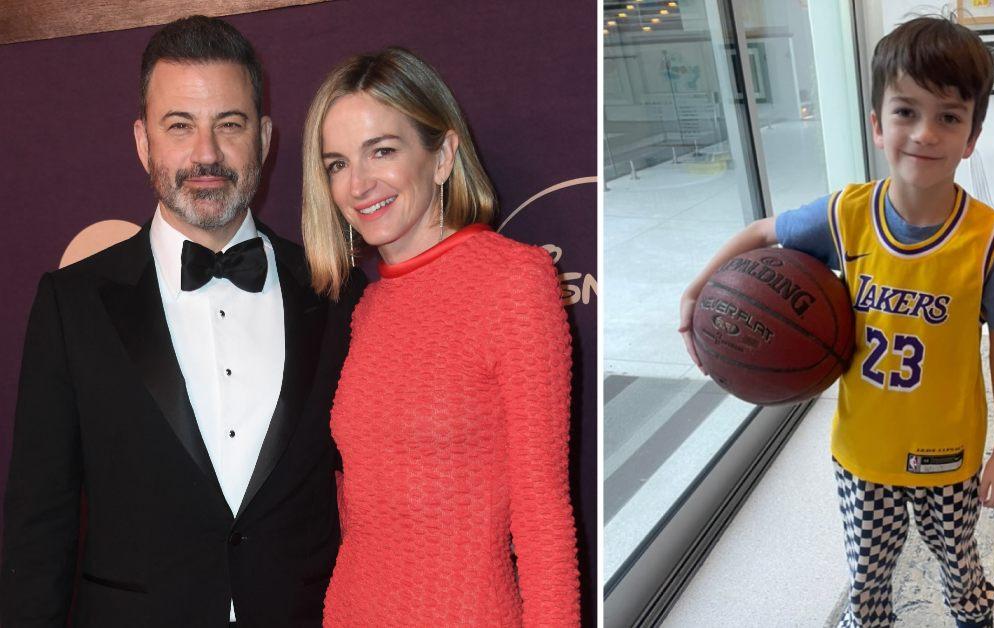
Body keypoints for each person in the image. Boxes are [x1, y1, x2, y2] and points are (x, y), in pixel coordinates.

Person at [0, 16, 361, 627]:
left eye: (230, 124)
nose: (206, 154)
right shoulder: (73, 303)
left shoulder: (337, 293)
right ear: (143, 142)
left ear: (266, 139)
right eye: (180, 126)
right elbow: (39, 529)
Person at [679, 16, 994, 628]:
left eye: (948, 117)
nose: (924, 133)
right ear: (876, 123)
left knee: (960, 565)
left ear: (972, 136)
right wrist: (696, 292)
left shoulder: (988, 240)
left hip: (948, 452)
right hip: (863, 451)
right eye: (905, 112)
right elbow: (763, 232)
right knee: (867, 577)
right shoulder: (845, 215)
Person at [300, 47, 580, 626]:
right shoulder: (367, 306)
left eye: (382, 150)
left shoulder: (514, 282)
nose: (359, 184)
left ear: (443, 154)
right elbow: (361, 510)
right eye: (336, 163)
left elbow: (542, 513)